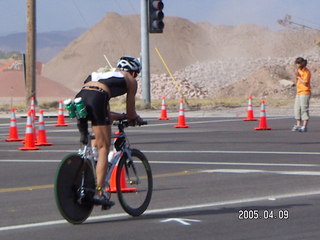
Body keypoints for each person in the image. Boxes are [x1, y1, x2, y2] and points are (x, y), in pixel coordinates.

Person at [75, 56, 144, 207]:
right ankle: (99, 192)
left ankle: (88, 163)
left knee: (95, 142)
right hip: (98, 98)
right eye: (136, 74)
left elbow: (105, 113)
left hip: (80, 98)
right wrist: (134, 118)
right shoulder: (130, 80)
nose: (135, 77)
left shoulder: (103, 74)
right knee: (104, 149)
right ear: (133, 72)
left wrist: (121, 116)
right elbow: (131, 112)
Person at [292, 57, 311, 132]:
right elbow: (297, 81)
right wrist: (296, 77)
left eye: (298, 63)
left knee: (304, 108)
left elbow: (305, 82)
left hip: (305, 92)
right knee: (297, 108)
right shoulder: (298, 71)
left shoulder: (306, 72)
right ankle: (298, 124)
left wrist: (298, 76)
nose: (296, 65)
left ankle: (304, 126)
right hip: (299, 91)